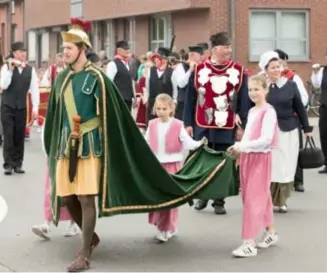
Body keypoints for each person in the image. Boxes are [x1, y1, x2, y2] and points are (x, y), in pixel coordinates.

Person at [44, 18, 240, 272]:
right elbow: (55, 114)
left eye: (69, 48)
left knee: (85, 197)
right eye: (64, 49)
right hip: (66, 147)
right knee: (66, 195)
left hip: (90, 145)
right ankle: (90, 236)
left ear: (82, 49)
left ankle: (84, 253)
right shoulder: (62, 80)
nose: (65, 53)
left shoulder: (98, 79)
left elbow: (115, 116)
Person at [184, 32, 252, 215]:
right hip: (203, 124)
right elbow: (190, 98)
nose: (229, 51)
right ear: (214, 49)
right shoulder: (199, 70)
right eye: (225, 47)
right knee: (203, 161)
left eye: (230, 47)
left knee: (223, 161)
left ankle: (219, 200)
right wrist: (188, 123)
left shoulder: (238, 71)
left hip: (227, 124)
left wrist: (242, 125)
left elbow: (244, 101)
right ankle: (202, 195)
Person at [227, 74, 279, 258]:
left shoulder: (269, 111)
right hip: (248, 157)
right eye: (250, 89)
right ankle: (271, 232)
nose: (253, 93)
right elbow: (248, 136)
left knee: (252, 199)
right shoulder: (252, 111)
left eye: (257, 89)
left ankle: (249, 242)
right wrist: (240, 149)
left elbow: (265, 140)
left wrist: (243, 146)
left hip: (260, 158)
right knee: (260, 197)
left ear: (265, 90)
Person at [145, 93, 205, 242]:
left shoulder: (178, 125)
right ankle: (163, 225)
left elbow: (187, 142)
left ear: (171, 109)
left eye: (164, 108)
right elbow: (145, 142)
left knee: (170, 198)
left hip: (172, 165)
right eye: (158, 108)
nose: (161, 112)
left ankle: (166, 228)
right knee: (157, 198)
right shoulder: (152, 124)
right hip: (156, 165)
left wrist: (199, 144)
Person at [260, 51, 312, 213]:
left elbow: (299, 108)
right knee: (270, 166)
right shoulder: (261, 87)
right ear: (265, 69)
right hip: (267, 132)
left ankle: (282, 199)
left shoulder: (290, 85)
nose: (277, 70)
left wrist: (307, 128)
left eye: (279, 66)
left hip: (288, 131)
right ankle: (268, 198)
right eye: (273, 67)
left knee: (285, 167)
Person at [0, 42, 39, 175]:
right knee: (8, 135)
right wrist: (10, 70)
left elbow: (34, 89)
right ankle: (8, 164)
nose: (23, 54)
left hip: (21, 106)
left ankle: (18, 163)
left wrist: (35, 108)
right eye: (21, 52)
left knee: (19, 136)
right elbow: (3, 85)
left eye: (24, 51)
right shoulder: (6, 68)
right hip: (7, 106)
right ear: (14, 53)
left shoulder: (30, 70)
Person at [274, 49, 308, 192]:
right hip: (272, 122)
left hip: (291, 120)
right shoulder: (265, 79)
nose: (280, 66)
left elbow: (303, 99)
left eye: (282, 62)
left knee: (294, 151)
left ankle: (298, 180)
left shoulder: (293, 78)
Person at [173, 45, 204, 121]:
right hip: (183, 104)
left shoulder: (202, 67)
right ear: (192, 55)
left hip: (198, 104)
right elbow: (181, 84)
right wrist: (190, 70)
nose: (202, 58)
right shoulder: (181, 67)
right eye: (200, 56)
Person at [106, 40, 135, 110]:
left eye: (128, 49)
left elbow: (130, 81)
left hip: (128, 99)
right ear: (118, 50)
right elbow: (108, 83)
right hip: (118, 100)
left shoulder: (127, 64)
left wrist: (133, 96)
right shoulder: (112, 64)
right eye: (125, 49)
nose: (128, 51)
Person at [311, 52, 327, 174]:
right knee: (324, 134)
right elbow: (317, 85)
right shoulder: (323, 71)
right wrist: (316, 72)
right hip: (324, 106)